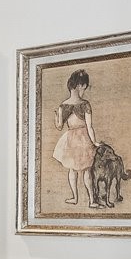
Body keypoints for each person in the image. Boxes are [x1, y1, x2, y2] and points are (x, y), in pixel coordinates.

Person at [52, 69, 98, 205]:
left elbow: (59, 126)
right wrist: (94, 141)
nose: (84, 91)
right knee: (86, 170)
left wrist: (56, 116)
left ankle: (76, 198)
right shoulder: (85, 104)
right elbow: (89, 127)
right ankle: (91, 200)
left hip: (71, 138)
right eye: (84, 88)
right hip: (83, 138)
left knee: (73, 169)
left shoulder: (63, 106)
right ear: (79, 86)